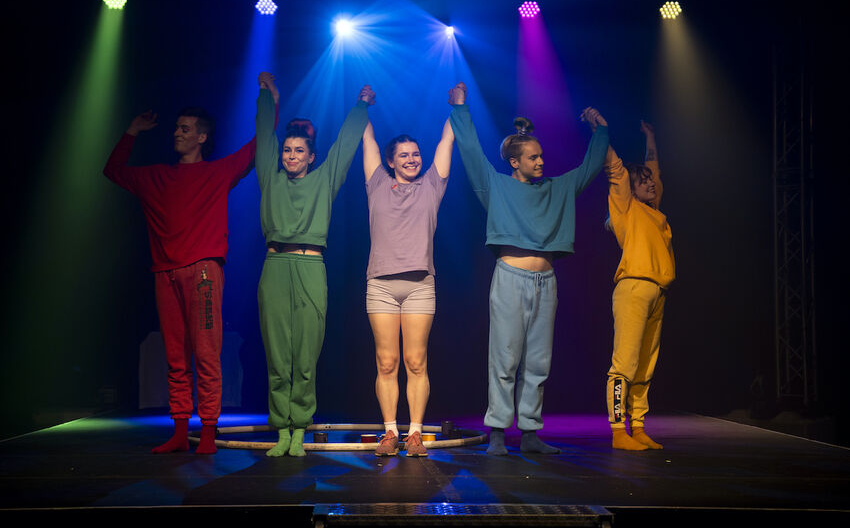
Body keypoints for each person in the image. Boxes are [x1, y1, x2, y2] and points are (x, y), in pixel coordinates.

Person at [448, 82, 609, 455]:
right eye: (532, 157)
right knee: (504, 358)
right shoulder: (497, 186)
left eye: (541, 156)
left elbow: (590, 166)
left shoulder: (559, 188)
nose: (540, 161)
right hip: (510, 278)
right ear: (515, 161)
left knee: (538, 361)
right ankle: (499, 434)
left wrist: (600, 131)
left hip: (546, 281)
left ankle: (532, 433)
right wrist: (460, 109)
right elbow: (472, 153)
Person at [104, 92, 263, 454]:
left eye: (185, 128)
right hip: (165, 273)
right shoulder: (156, 177)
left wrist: (269, 101)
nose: (177, 132)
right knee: (175, 356)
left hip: (204, 271)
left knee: (206, 353)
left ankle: (207, 433)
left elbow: (256, 148)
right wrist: (131, 131)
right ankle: (179, 432)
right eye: (176, 127)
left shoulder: (217, 171)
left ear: (202, 137)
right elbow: (112, 171)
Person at [255, 72, 374, 457]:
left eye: (298, 151)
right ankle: (281, 430)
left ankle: (299, 428)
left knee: (305, 354)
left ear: (311, 156)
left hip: (310, 267)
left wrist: (361, 107)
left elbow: (344, 146)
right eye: (287, 150)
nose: (290, 156)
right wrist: (267, 100)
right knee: (278, 354)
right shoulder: (269, 180)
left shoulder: (325, 179)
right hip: (275, 267)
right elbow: (263, 141)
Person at [362, 95, 456, 458]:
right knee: (387, 362)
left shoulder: (432, 185)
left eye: (415, 154)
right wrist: (363, 107)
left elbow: (446, 140)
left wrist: (457, 107)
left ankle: (414, 433)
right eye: (403, 155)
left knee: (416, 362)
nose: (412, 159)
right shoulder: (376, 183)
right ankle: (390, 432)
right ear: (390, 161)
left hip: (420, 286)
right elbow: (367, 140)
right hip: (381, 285)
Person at [603, 121, 674, 450]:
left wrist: (650, 137)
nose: (651, 185)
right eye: (644, 182)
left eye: (651, 181)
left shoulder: (655, 214)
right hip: (633, 288)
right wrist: (601, 132)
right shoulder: (626, 209)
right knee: (626, 363)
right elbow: (616, 171)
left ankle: (639, 425)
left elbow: (654, 169)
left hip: (658, 292)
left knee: (646, 365)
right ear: (630, 189)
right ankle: (619, 431)